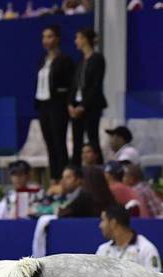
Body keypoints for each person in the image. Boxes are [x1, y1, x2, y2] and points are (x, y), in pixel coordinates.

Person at [34, 23, 74, 179]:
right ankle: (54, 178)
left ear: (57, 39)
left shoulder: (64, 59)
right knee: (49, 143)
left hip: (57, 105)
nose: (45, 40)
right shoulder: (42, 60)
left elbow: (70, 84)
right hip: (43, 104)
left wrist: (66, 100)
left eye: (49, 36)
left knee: (59, 142)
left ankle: (64, 177)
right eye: (44, 37)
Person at [68, 27, 106, 166]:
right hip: (77, 106)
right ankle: (76, 170)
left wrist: (83, 106)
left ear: (85, 39)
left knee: (92, 138)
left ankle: (99, 168)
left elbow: (95, 86)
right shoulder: (80, 61)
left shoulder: (97, 59)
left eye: (78, 38)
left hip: (91, 107)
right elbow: (74, 84)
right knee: (77, 141)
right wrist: (71, 104)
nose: (76, 41)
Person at [95, 204, 161, 271]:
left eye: (103, 220)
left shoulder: (146, 249)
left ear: (113, 223)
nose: (100, 225)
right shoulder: (103, 249)